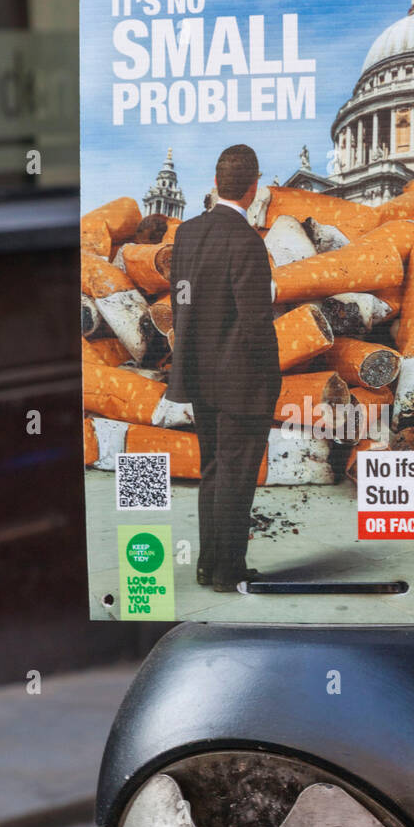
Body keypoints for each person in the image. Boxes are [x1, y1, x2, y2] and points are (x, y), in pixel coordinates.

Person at [166, 144, 280, 591]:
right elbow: (255, 322)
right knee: (236, 473)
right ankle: (227, 570)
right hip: (240, 379)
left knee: (213, 468)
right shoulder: (247, 241)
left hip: (198, 374)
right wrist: (271, 377)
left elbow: (181, 304)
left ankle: (207, 563)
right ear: (254, 188)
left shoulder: (187, 234)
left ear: (216, 183)